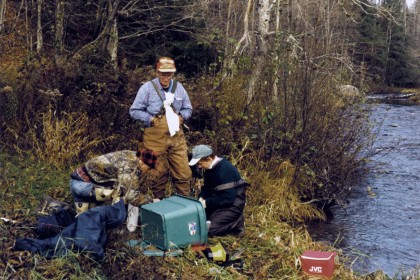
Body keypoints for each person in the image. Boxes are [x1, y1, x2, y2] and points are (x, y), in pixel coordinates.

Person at [129, 57, 192, 200]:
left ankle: (185, 203)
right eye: (163, 74)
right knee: (154, 174)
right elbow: (134, 111)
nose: (166, 77)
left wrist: (181, 117)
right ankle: (158, 204)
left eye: (169, 74)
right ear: (157, 72)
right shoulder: (146, 88)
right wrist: (150, 119)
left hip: (176, 137)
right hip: (153, 137)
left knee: (183, 173)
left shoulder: (179, 88)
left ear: (173, 74)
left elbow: (188, 108)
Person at [70, 149, 158, 214]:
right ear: (142, 163)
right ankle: (119, 222)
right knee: (118, 194)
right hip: (83, 187)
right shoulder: (128, 167)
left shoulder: (131, 155)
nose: (148, 171)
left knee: (84, 219)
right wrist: (151, 201)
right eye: (149, 168)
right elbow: (132, 196)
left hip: (77, 181)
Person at [189, 145, 248, 237]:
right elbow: (207, 188)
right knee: (196, 224)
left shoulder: (224, 170)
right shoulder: (210, 168)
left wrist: (207, 202)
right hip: (218, 203)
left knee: (208, 231)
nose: (199, 167)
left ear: (208, 159)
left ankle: (236, 222)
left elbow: (228, 198)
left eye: (200, 164)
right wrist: (201, 197)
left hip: (232, 205)